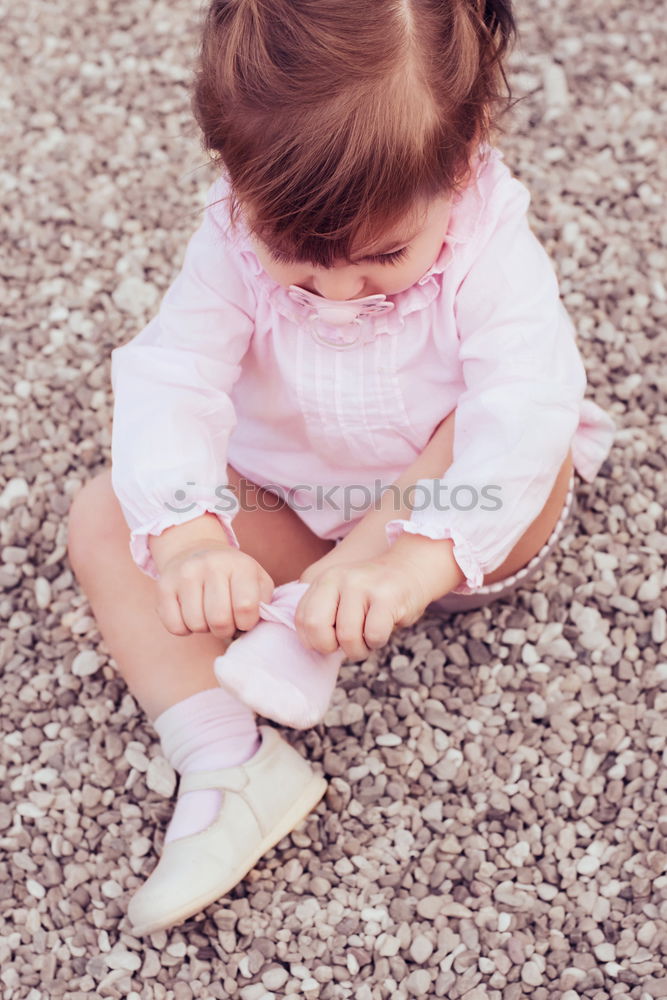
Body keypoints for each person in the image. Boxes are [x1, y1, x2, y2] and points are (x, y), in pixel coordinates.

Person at [67, 0, 615, 935]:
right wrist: (195, 539)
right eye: (297, 263)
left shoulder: (488, 249)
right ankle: (226, 759)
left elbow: (521, 415)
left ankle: (321, 605)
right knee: (101, 519)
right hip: (297, 496)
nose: (337, 293)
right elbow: (171, 380)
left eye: (382, 257)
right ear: (230, 174)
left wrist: (409, 561)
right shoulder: (229, 240)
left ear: (468, 149)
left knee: (505, 422)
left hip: (458, 522)